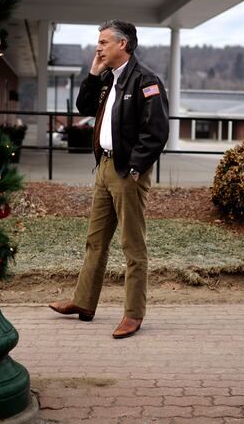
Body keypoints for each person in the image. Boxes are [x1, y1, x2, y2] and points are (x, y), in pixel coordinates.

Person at [49, 19, 170, 339]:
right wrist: (92, 72)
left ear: (123, 45)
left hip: (127, 172)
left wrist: (134, 168)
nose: (98, 46)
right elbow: (84, 106)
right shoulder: (108, 79)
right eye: (98, 41)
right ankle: (83, 303)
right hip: (104, 167)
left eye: (104, 42)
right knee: (95, 240)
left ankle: (133, 314)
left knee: (132, 245)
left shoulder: (146, 80)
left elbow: (156, 132)